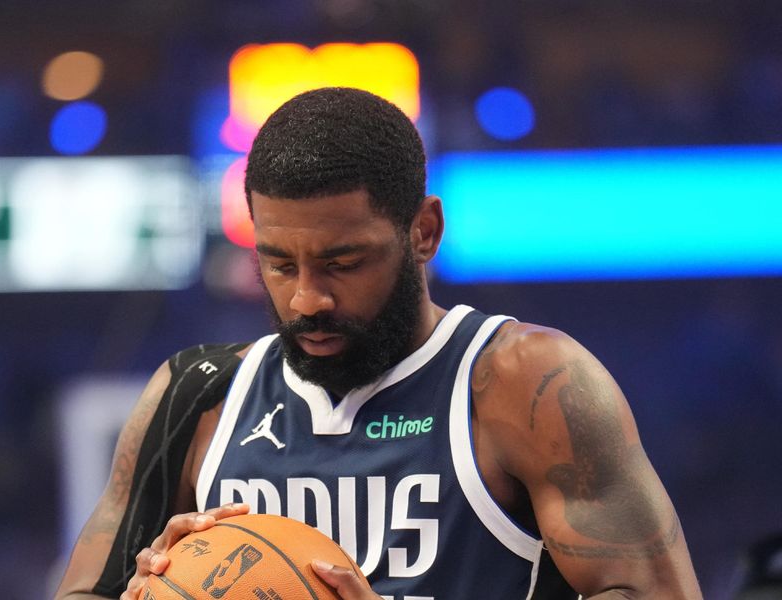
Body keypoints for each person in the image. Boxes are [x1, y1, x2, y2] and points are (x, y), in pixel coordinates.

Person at [54, 87, 702, 600]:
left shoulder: (525, 383)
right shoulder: (198, 399)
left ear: (423, 231)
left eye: (343, 262)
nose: (309, 299)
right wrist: (153, 588)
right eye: (280, 264)